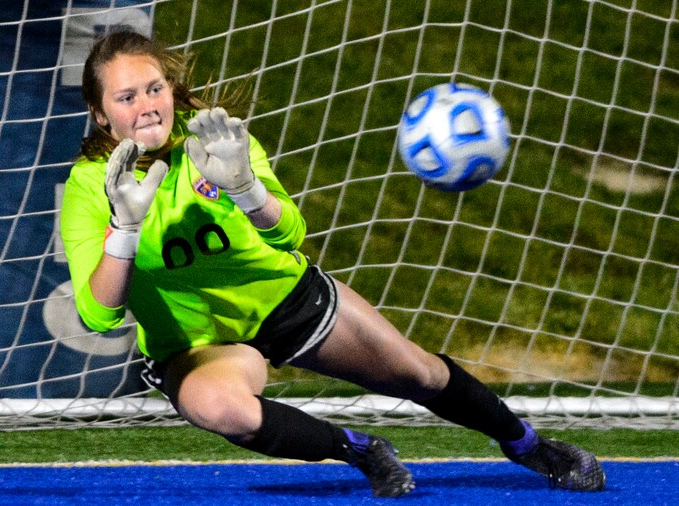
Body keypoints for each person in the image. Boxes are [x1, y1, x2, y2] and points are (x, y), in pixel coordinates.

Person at [60, 31, 606, 498]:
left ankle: (530, 446)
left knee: (419, 374)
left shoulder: (214, 138)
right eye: (127, 96)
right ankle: (363, 452)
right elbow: (99, 315)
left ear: (171, 91)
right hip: (195, 343)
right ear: (100, 112)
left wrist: (246, 189)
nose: (147, 105)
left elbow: (290, 233)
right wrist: (124, 234)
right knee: (220, 407)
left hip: (284, 300)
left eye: (155, 88)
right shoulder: (90, 189)